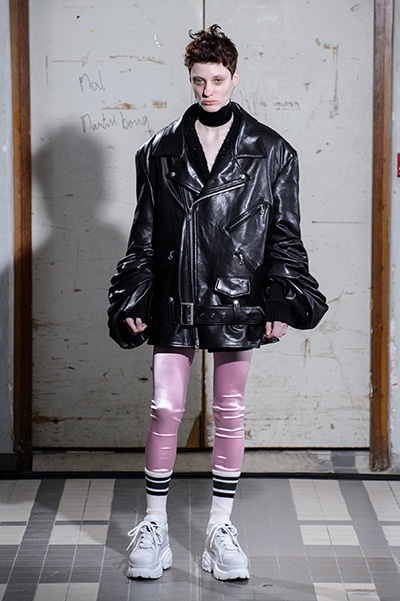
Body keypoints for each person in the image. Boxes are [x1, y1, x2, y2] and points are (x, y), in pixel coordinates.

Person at [108, 24, 328, 581]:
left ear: (235, 77)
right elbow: (144, 233)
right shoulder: (159, 149)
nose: (208, 91)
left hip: (237, 295)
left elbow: (285, 234)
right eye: (198, 81)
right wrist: (134, 293)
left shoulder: (272, 150)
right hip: (175, 294)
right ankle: (154, 525)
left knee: (231, 411)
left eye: (218, 80)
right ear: (189, 80)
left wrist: (280, 299)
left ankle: (219, 530)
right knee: (165, 408)